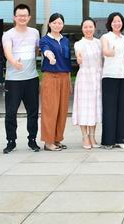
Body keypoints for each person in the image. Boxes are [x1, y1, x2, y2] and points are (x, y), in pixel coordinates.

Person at [2, 3, 41, 153]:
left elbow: (37, 49)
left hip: (31, 78)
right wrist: (13, 62)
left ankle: (32, 140)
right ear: (14, 17)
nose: (22, 18)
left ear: (29, 17)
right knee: (11, 112)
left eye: (25, 15)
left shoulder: (35, 32)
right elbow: (7, 51)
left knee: (33, 112)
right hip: (13, 80)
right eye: (19, 16)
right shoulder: (8, 34)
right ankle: (11, 141)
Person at [39, 13, 71, 151]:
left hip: (64, 77)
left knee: (62, 110)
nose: (57, 25)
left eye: (60, 23)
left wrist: (69, 80)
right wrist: (50, 56)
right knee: (50, 109)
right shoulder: (45, 39)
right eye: (55, 23)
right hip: (50, 77)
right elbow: (46, 50)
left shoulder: (65, 40)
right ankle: (48, 142)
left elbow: (67, 61)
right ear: (50, 24)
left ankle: (57, 139)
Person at [101, 12, 124, 149]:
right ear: (110, 23)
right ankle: (108, 141)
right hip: (109, 76)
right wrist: (110, 52)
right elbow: (105, 51)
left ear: (122, 23)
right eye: (114, 21)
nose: (117, 23)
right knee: (109, 109)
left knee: (123, 109)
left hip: (123, 76)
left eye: (119, 21)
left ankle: (122, 139)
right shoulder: (105, 37)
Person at [72, 17, 102, 150]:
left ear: (94, 28)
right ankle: (85, 136)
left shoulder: (99, 42)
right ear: (82, 29)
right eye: (85, 27)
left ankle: (93, 136)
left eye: (90, 27)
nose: (88, 29)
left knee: (94, 107)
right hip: (84, 77)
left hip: (97, 77)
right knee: (84, 107)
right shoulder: (79, 44)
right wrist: (79, 58)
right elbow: (79, 58)